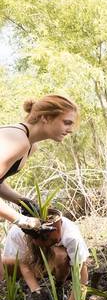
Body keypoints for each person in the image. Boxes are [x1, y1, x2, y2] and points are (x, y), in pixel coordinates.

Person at [0, 95, 79, 232]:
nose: (70, 130)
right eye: (66, 122)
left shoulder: (30, 145)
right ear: (45, 118)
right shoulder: (17, 140)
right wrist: (21, 220)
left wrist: (22, 201)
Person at [2, 215, 90, 300]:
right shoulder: (19, 232)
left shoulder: (71, 236)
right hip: (32, 264)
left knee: (61, 255)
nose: (48, 243)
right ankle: (22, 286)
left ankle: (59, 286)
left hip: (53, 264)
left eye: (51, 241)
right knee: (4, 263)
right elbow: (23, 263)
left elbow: (82, 274)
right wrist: (36, 291)